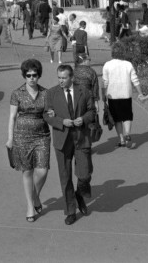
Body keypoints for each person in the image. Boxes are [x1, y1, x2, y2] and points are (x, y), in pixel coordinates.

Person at [43, 64, 95, 225]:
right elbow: (46, 114)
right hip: (62, 138)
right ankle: (70, 211)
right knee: (65, 177)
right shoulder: (51, 93)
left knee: (85, 173)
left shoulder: (84, 91)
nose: (61, 81)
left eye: (64, 78)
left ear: (72, 77)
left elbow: (92, 111)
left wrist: (84, 119)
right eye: (59, 77)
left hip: (81, 137)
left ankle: (80, 194)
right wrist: (60, 121)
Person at [5, 59, 51, 222]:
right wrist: (10, 139)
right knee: (27, 171)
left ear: (39, 75)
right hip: (21, 137)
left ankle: (35, 196)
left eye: (35, 75)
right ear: (24, 75)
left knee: (42, 170)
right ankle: (30, 206)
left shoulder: (46, 93)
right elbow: (12, 117)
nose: (31, 78)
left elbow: (49, 113)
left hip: (42, 136)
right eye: (28, 75)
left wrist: (53, 115)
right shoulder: (17, 93)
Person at [101, 49, 143, 148]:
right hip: (126, 94)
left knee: (117, 118)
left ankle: (121, 139)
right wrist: (140, 93)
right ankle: (127, 133)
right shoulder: (128, 64)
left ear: (113, 54)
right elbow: (135, 80)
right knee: (127, 116)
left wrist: (103, 94)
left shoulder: (107, 64)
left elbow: (105, 82)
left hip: (112, 95)